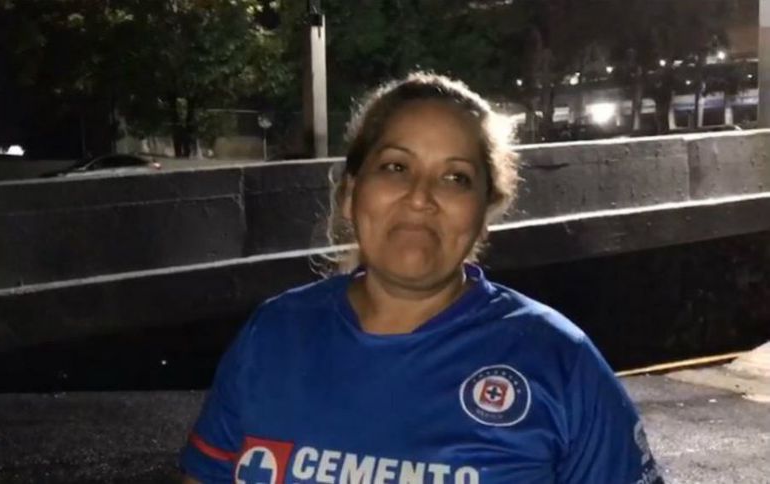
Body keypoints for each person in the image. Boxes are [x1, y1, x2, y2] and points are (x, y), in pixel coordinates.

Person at [179, 72, 663, 484]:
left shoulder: (557, 360)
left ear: (485, 212)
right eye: (395, 167)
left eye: (455, 178)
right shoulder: (272, 335)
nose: (419, 197)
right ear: (350, 194)